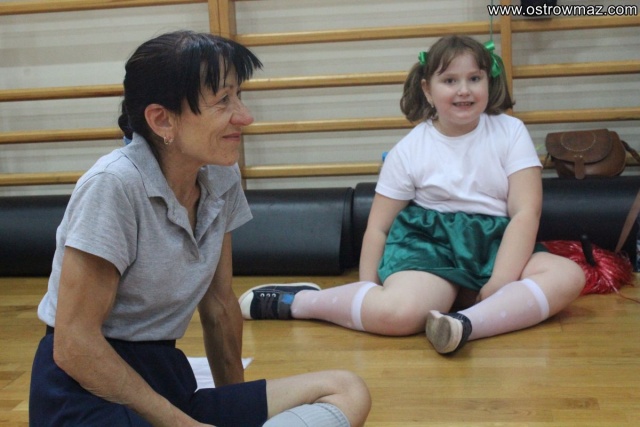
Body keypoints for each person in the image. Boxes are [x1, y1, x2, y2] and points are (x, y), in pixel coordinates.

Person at [29, 30, 370, 427]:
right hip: (86, 390)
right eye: (223, 100)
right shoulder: (114, 185)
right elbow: (74, 344)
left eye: (238, 95)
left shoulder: (221, 175)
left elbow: (220, 305)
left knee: (347, 389)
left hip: (164, 381)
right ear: (162, 119)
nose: (244, 115)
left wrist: (235, 408)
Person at [239, 35, 586, 355]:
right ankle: (300, 302)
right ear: (427, 89)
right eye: (450, 81)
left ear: (488, 81)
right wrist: (368, 290)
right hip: (430, 245)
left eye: (474, 78)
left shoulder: (510, 131)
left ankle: (464, 325)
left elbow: (526, 212)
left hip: (496, 245)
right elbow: (378, 227)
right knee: (399, 314)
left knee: (568, 276)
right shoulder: (409, 149)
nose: (464, 90)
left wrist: (499, 283)